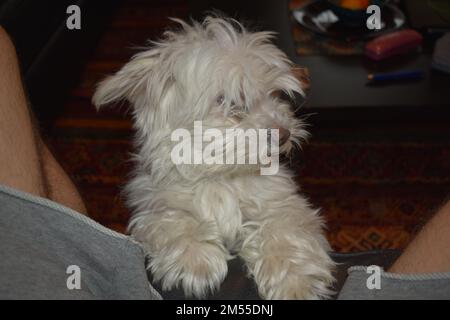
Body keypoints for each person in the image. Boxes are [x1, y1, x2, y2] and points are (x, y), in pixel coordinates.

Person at [0, 26, 448, 300]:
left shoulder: (266, 176)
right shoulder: (159, 181)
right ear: (159, 101)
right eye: (234, 105)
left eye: (274, 99)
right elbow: (161, 216)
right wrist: (177, 234)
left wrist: (283, 252)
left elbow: (289, 216)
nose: (280, 128)